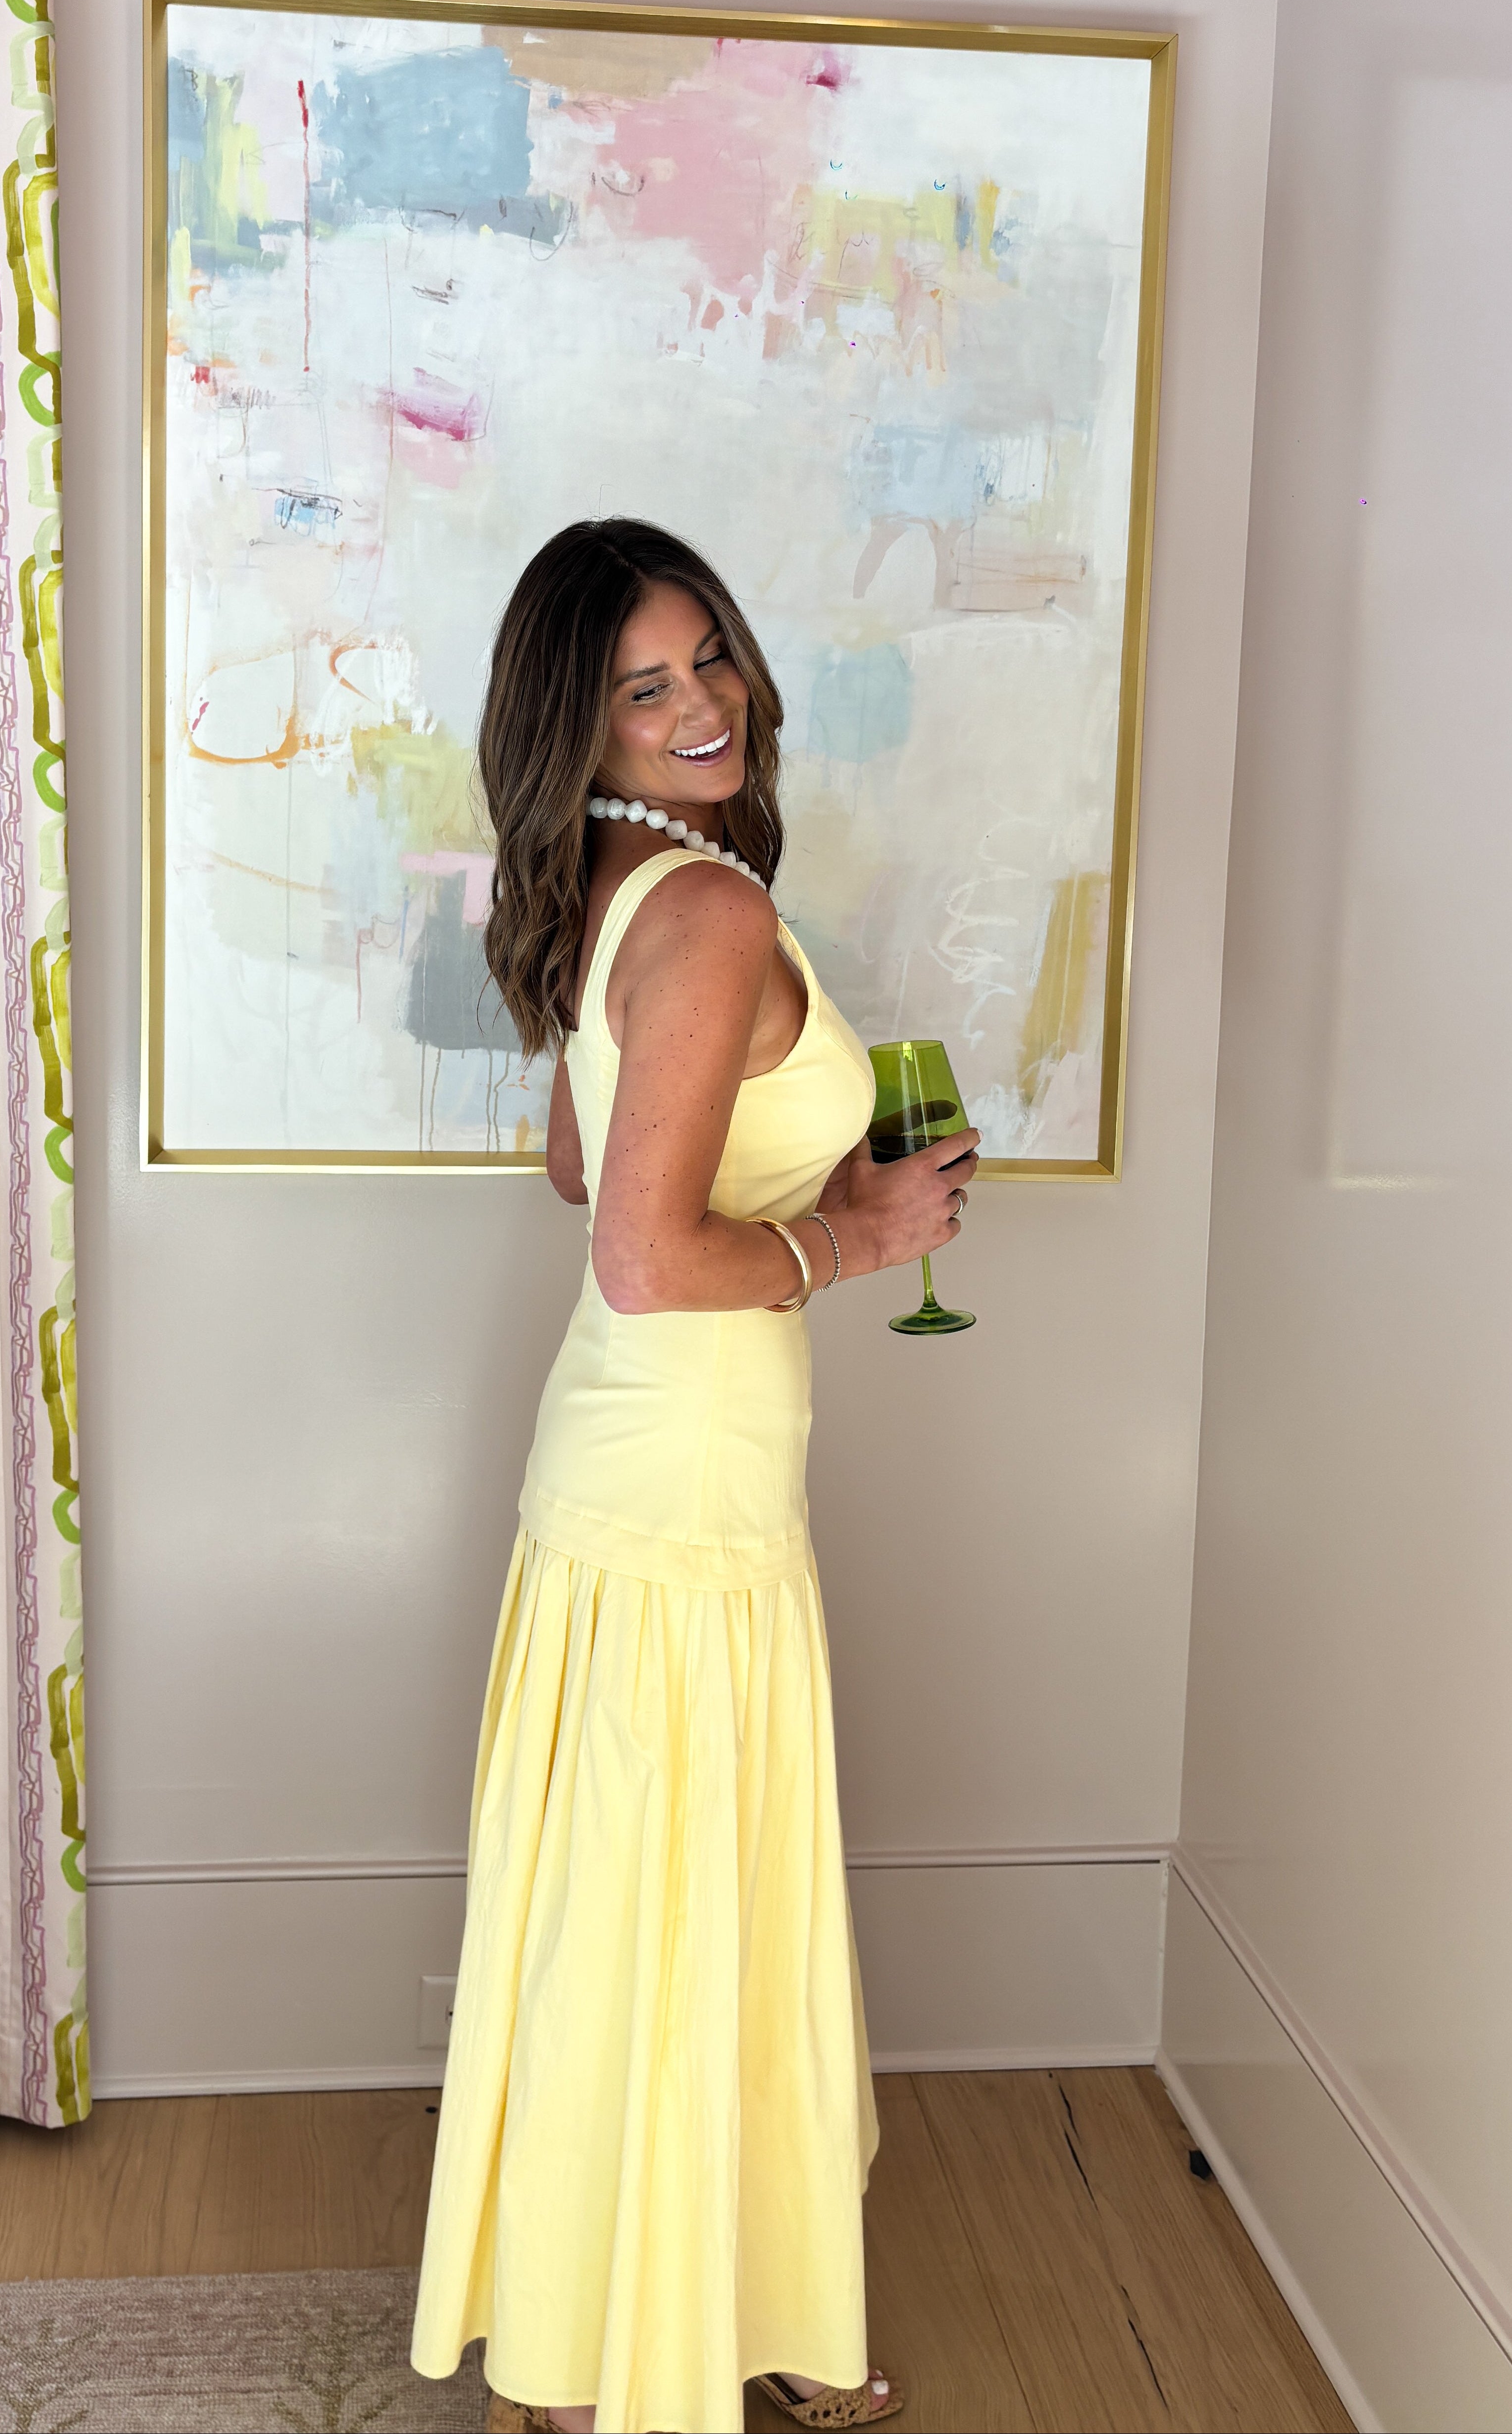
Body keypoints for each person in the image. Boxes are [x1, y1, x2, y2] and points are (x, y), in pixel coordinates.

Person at [409, 519, 978, 2434]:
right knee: (681, 1919)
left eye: (708, 656)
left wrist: (796, 1191)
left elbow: (585, 1166)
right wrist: (857, 1235)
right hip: (678, 1484)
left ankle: (706, 2319)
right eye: (643, 686)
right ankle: (607, 2369)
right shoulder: (710, 908)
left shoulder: (618, 883)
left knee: (655, 1913)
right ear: (580, 724)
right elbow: (645, 1253)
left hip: (645, 1465)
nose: (700, 702)